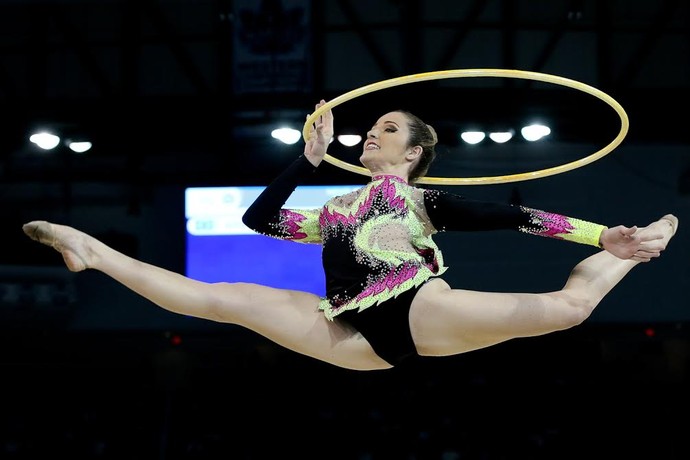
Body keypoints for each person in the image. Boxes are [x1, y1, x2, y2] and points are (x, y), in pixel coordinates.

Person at [22, 100, 677, 371]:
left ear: (414, 152)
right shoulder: (334, 207)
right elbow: (260, 221)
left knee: (568, 310)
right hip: (345, 330)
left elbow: (509, 216)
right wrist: (305, 160)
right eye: (373, 126)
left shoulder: (417, 199)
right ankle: (94, 250)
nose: (373, 131)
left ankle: (638, 245)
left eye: (389, 129)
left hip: (417, 308)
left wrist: (599, 236)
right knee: (218, 297)